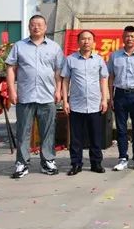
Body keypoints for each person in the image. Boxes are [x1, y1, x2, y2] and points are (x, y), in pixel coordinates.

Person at [6, 15, 64, 179]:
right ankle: (22, 163)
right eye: (33, 24)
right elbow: (10, 68)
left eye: (39, 25)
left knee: (48, 131)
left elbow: (58, 71)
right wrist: (12, 91)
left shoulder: (54, 47)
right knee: (23, 131)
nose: (36, 27)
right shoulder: (19, 46)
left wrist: (58, 90)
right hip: (25, 95)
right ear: (29, 27)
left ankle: (48, 161)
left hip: (47, 95)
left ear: (45, 27)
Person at [61, 30, 109, 175]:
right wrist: (65, 101)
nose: (86, 42)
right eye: (83, 39)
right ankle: (76, 164)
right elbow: (65, 80)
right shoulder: (70, 59)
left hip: (95, 104)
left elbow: (103, 80)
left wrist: (104, 99)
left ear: (93, 42)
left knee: (96, 137)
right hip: (76, 105)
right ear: (78, 42)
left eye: (89, 39)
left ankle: (96, 163)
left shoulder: (99, 60)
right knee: (76, 138)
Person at [108, 26, 134, 171]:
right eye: (127, 36)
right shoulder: (114, 56)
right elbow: (111, 78)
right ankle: (122, 158)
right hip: (120, 95)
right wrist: (111, 98)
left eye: (132, 36)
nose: (130, 39)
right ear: (123, 38)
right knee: (121, 129)